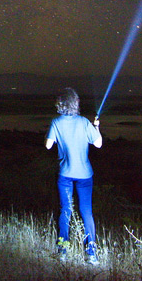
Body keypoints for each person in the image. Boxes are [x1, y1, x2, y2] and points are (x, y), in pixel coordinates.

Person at [45, 88, 103, 264]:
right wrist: (96, 127)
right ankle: (91, 253)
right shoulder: (84, 122)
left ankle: (63, 250)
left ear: (60, 104)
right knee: (86, 212)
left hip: (65, 174)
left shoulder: (56, 122)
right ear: (75, 103)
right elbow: (98, 144)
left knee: (66, 210)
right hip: (85, 174)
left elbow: (48, 146)